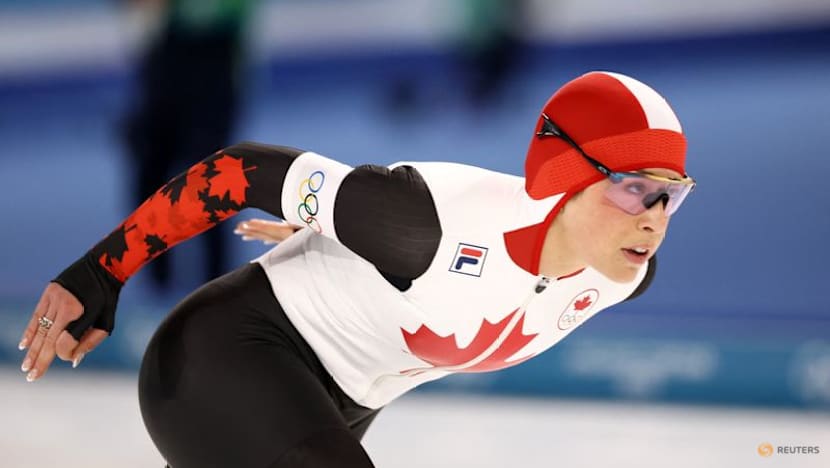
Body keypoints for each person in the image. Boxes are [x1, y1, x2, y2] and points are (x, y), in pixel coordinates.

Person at [18, 71, 695, 467]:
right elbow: (238, 170)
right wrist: (101, 273)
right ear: (567, 178)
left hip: (332, 406)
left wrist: (332, 235)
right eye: (637, 187)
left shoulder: (620, 274)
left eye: (673, 194)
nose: (655, 218)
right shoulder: (415, 224)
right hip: (224, 360)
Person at [122, 0, 254, 290]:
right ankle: (157, 279)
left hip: (215, 64)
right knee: (151, 172)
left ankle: (216, 285)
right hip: (166, 63)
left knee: (211, 177)